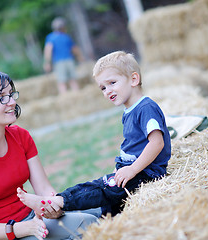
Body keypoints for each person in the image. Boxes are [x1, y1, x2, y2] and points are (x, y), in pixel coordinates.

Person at [0, 68, 99, 240]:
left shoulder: (20, 136)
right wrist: (23, 228)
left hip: (34, 219)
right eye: (1, 99)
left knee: (98, 215)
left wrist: (52, 205)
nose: (12, 102)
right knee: (87, 226)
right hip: (5, 234)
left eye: (11, 94)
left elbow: (43, 188)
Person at [17, 50, 171, 217]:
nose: (107, 91)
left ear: (134, 79)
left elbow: (157, 143)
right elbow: (133, 145)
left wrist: (132, 170)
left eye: (112, 82)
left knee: (102, 189)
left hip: (145, 174)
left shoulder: (145, 108)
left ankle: (59, 203)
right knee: (106, 198)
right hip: (133, 170)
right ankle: (60, 202)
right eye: (103, 88)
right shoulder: (129, 111)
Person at [43, 17, 83, 94]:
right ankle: (77, 95)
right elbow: (75, 49)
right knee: (73, 80)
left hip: (59, 62)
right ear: (63, 27)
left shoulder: (51, 37)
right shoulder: (66, 37)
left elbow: (48, 50)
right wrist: (80, 58)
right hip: (69, 60)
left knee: (62, 82)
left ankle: (65, 97)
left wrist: (47, 62)